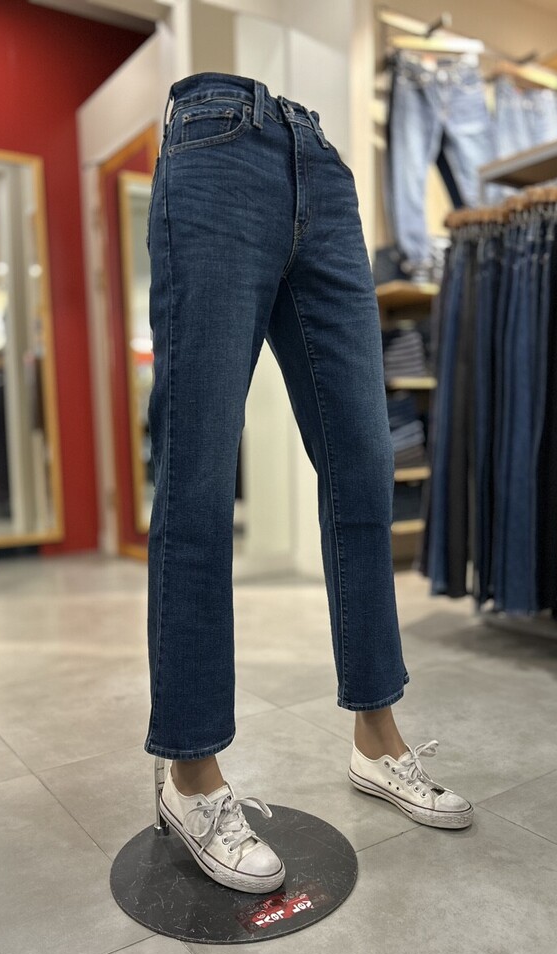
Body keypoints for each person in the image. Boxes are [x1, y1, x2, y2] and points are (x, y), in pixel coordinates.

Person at [144, 72, 473, 895]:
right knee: (198, 475)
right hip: (215, 147)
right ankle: (191, 776)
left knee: (364, 465)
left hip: (320, 165)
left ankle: (377, 739)